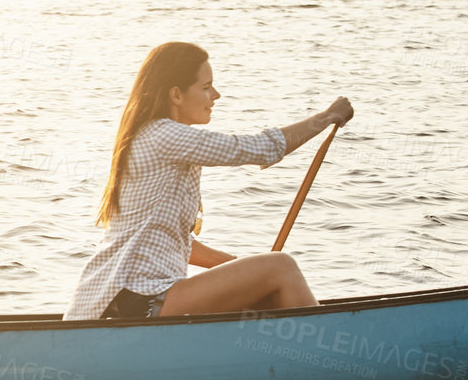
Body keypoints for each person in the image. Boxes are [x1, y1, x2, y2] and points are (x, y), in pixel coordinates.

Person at [64, 41, 353, 321]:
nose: (216, 95)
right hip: (132, 299)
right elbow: (259, 149)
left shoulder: (158, 138)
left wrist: (240, 268)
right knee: (282, 267)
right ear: (176, 95)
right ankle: (335, 358)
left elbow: (176, 241)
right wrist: (326, 117)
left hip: (128, 299)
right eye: (205, 87)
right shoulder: (164, 135)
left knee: (267, 286)